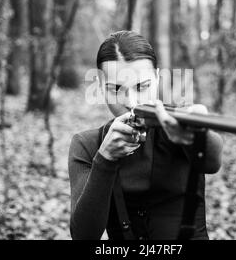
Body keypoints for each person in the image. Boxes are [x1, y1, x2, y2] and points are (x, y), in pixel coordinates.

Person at [68, 30, 223, 240]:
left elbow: (212, 163)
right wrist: (105, 160)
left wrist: (197, 135)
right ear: (101, 88)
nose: (131, 102)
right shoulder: (87, 144)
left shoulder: (178, 123)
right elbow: (83, 235)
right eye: (115, 89)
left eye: (142, 87)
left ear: (157, 79)